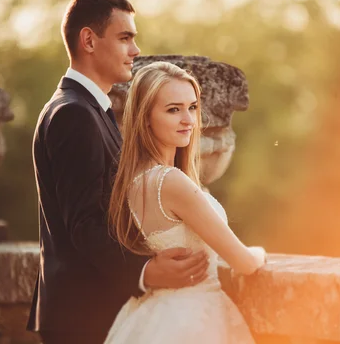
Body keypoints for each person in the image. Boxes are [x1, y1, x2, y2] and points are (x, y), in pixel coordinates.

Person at [26, 0, 209, 344]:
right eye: (125, 38)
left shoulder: (91, 110)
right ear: (89, 40)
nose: (135, 50)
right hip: (84, 317)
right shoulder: (73, 114)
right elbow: (84, 223)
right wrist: (145, 272)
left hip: (90, 311)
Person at [104, 61, 267, 344]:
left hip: (153, 315)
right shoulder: (172, 182)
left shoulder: (133, 181)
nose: (189, 120)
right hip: (193, 318)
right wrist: (260, 253)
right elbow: (243, 262)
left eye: (192, 107)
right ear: (145, 118)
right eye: (173, 109)